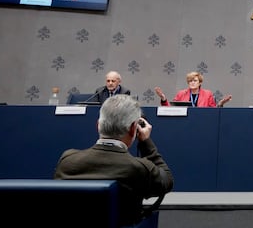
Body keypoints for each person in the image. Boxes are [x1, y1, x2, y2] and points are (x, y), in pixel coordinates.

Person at [54, 95, 173, 226]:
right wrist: (146, 142)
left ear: (98, 125)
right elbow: (166, 181)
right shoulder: (139, 168)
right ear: (134, 128)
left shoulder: (67, 161)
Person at [154, 71, 232, 107]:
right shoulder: (181, 94)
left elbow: (213, 112)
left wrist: (220, 104)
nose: (192, 83)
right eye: (190, 81)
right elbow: (171, 110)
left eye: (195, 81)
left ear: (200, 83)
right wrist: (163, 98)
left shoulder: (208, 94)